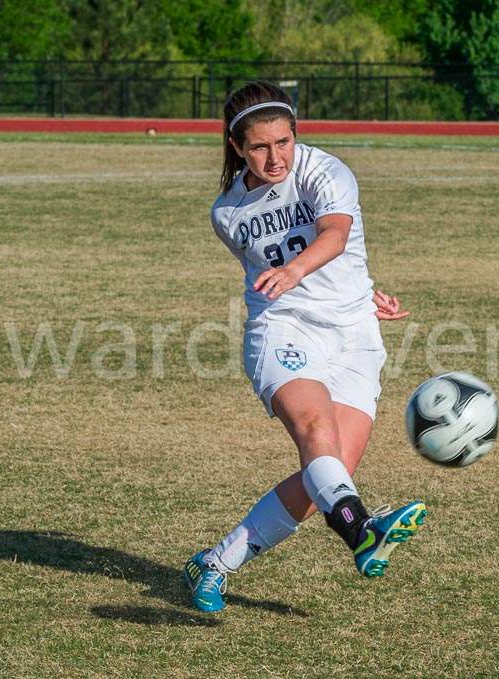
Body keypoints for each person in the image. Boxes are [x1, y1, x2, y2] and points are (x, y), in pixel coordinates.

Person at [183, 81, 426, 613]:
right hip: (283, 327)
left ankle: (217, 563)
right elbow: (271, 277)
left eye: (284, 142)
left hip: (356, 337)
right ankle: (362, 531)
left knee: (332, 469)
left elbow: (336, 236)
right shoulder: (227, 212)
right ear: (237, 147)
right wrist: (294, 281)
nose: (276, 157)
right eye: (260, 147)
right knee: (315, 433)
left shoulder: (326, 170)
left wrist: (359, 294)